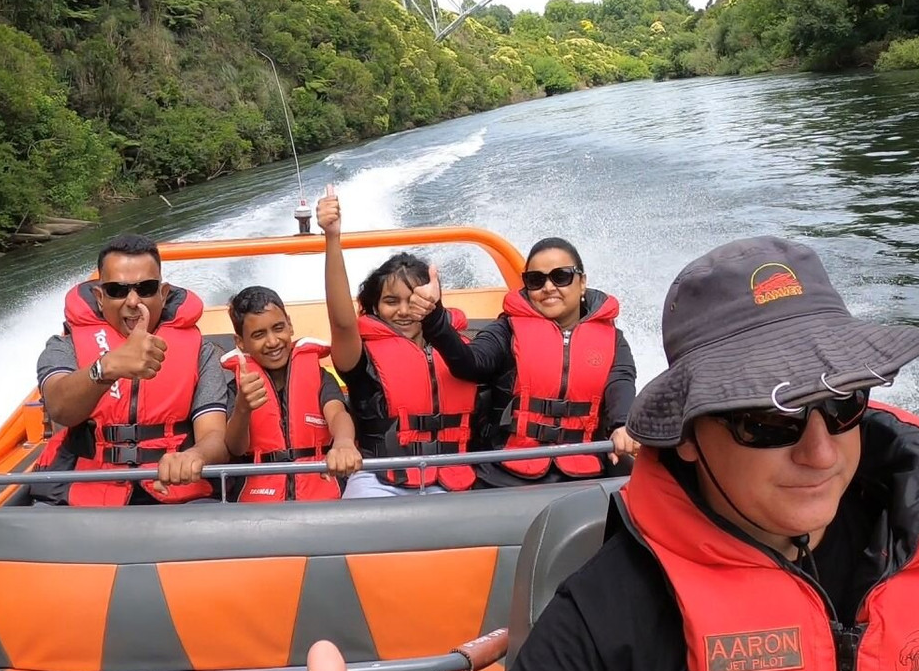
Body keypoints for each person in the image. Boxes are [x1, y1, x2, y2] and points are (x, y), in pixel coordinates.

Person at [507, 236, 919, 671]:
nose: (820, 454)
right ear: (686, 433)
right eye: (769, 419)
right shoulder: (598, 626)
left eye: (844, 400)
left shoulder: (904, 530)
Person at [408, 237, 638, 488]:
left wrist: (622, 425)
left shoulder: (613, 339)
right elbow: (469, 363)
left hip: (588, 472)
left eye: (561, 276)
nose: (548, 287)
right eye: (536, 280)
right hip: (505, 472)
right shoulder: (507, 329)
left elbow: (621, 383)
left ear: (582, 282)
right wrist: (434, 317)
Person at [32, 233, 230, 505]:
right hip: (79, 493)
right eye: (118, 290)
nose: (133, 301)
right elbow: (59, 408)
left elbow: (215, 437)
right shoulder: (65, 347)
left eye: (146, 288)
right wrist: (107, 367)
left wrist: (194, 456)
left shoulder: (201, 353)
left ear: (163, 294)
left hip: (174, 494)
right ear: (100, 297)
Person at [317, 184, 481, 498]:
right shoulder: (360, 355)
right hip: (379, 480)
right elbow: (341, 321)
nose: (404, 311)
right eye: (392, 301)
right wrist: (332, 238)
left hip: (456, 477)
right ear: (375, 307)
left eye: (414, 299)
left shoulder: (460, 349)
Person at [223, 285, 362, 501]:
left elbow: (337, 414)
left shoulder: (320, 377)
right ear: (240, 343)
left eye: (278, 328)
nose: (272, 341)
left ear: (290, 324)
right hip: (260, 500)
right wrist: (243, 408)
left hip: (320, 491)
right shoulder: (237, 388)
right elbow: (236, 448)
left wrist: (344, 443)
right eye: (259, 335)